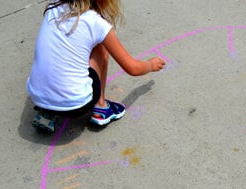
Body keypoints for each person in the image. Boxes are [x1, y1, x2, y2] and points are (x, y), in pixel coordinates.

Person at [27, 0, 165, 132]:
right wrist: (150, 65)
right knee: (102, 46)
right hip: (76, 104)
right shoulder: (96, 23)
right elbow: (133, 68)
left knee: (59, 58)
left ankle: (46, 114)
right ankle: (101, 107)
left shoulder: (54, 6)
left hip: (38, 96)